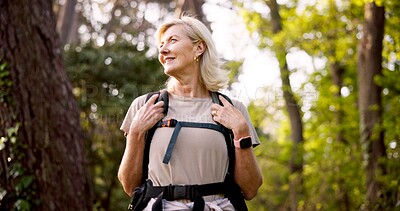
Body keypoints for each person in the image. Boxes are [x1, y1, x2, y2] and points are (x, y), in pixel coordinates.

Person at [118, 15, 262, 211]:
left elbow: (251, 189)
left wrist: (241, 131)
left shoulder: (231, 108)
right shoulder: (144, 106)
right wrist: (135, 133)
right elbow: (129, 186)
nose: (163, 49)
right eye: (161, 44)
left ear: (199, 48)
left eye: (173, 40)